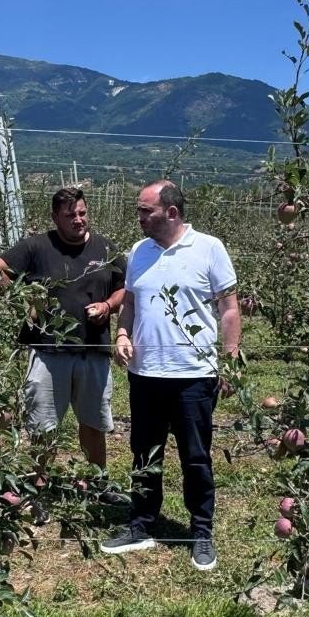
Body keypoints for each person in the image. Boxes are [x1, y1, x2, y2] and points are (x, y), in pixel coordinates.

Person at [104, 180, 241, 572]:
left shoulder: (209, 248)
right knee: (145, 452)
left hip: (193, 374)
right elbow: (129, 303)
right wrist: (122, 333)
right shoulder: (138, 252)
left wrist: (229, 360)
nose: (140, 217)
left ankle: (201, 531)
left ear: (172, 212)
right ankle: (142, 524)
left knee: (195, 456)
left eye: (146, 211)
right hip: (146, 373)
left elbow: (229, 309)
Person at [0, 187, 125, 476]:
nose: (78, 220)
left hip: (93, 351)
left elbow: (123, 287)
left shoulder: (105, 248)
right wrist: (22, 298)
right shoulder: (37, 247)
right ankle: (38, 486)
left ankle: (96, 481)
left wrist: (108, 305)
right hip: (47, 352)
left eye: (82, 213)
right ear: (55, 217)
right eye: (70, 215)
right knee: (44, 425)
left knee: (93, 422)